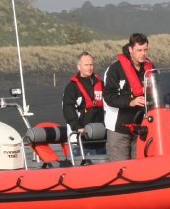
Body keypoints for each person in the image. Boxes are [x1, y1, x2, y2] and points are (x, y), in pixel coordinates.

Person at [103, 33, 154, 161]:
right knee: (121, 167)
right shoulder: (115, 70)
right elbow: (109, 96)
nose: (143, 54)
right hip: (119, 127)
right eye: (139, 50)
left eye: (145, 50)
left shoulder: (150, 69)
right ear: (130, 50)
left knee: (141, 166)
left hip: (142, 127)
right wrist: (131, 102)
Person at [62, 51, 105, 156]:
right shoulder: (71, 88)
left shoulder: (100, 83)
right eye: (86, 65)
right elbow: (68, 109)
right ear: (79, 66)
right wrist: (77, 127)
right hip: (79, 140)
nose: (89, 67)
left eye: (91, 65)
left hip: (99, 139)